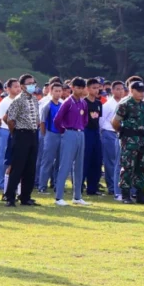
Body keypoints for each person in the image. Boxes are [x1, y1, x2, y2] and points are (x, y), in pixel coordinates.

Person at [112, 81, 144, 205]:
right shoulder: (125, 104)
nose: (141, 93)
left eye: (143, 91)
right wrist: (124, 132)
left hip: (143, 141)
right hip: (130, 141)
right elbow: (115, 122)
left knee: (142, 167)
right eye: (138, 91)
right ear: (131, 90)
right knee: (128, 167)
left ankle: (140, 194)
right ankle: (126, 195)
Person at [52, 77, 90, 206]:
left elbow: (85, 119)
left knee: (79, 166)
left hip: (80, 133)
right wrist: (64, 131)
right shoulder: (68, 102)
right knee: (65, 165)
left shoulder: (84, 103)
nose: (79, 90)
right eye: (77, 88)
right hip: (69, 133)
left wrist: (81, 127)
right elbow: (57, 119)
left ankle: (77, 196)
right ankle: (59, 197)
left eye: (81, 88)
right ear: (72, 88)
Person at [5, 74, 41, 207]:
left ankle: (25, 197)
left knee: (30, 167)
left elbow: (37, 118)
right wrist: (15, 133)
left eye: (33, 83)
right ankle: (10, 197)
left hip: (33, 134)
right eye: (29, 83)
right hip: (21, 134)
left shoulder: (35, 100)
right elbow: (9, 120)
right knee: (17, 167)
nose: (32, 85)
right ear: (22, 86)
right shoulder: (18, 100)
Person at [0, 78, 20, 194]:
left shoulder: (20, 100)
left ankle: (12, 182)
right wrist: (1, 130)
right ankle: (0, 182)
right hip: (5, 131)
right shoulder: (4, 102)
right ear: (8, 89)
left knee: (15, 157)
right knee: (3, 157)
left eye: (19, 86)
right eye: (15, 87)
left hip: (17, 131)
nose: (18, 89)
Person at [101, 81, 125, 200]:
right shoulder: (107, 105)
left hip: (121, 134)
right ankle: (111, 186)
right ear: (112, 90)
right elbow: (102, 120)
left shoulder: (125, 103)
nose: (120, 91)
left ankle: (120, 185)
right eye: (117, 89)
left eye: (122, 89)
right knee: (110, 161)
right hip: (109, 132)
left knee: (119, 161)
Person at [38, 82, 63, 193]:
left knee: (59, 162)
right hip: (50, 134)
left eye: (59, 91)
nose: (58, 93)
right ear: (51, 91)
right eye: (56, 91)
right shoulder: (47, 105)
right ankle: (42, 186)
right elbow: (42, 122)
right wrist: (45, 135)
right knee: (47, 161)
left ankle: (57, 185)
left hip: (61, 135)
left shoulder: (62, 105)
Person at [83, 78, 103, 196]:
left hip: (95, 132)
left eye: (98, 88)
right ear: (88, 88)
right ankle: (79, 186)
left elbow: (99, 120)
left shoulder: (99, 103)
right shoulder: (83, 103)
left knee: (97, 160)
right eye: (93, 88)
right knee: (85, 159)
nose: (96, 90)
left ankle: (93, 188)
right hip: (86, 132)